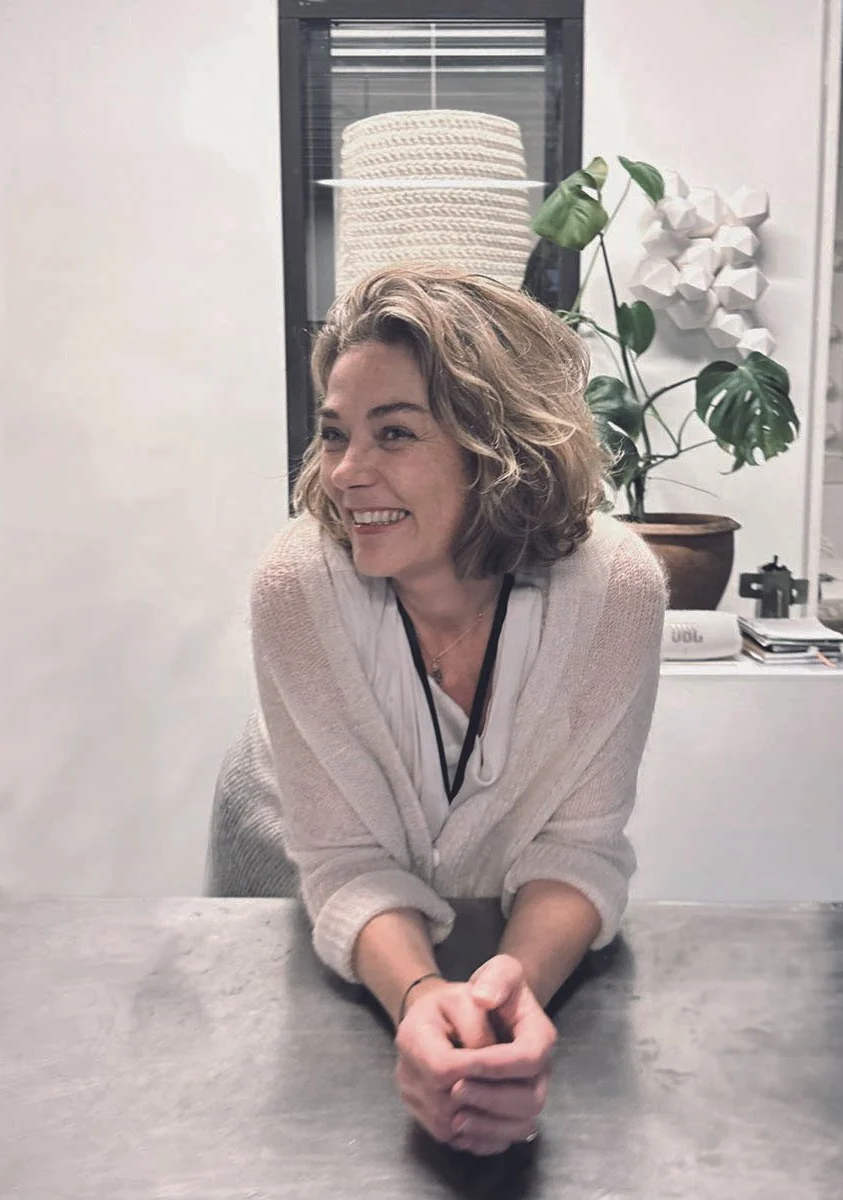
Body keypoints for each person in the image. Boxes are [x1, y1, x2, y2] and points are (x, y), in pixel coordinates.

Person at [249, 263, 666, 1157]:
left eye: (394, 433)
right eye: (334, 434)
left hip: (532, 952)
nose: (348, 473)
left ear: (499, 446)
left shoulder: (616, 591)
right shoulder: (296, 588)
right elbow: (345, 858)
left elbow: (579, 846)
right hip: (345, 939)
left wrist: (509, 985)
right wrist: (419, 997)